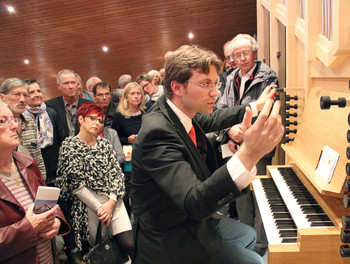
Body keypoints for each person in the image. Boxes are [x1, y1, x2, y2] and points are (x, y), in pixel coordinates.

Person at [131, 45, 284, 263]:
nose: (216, 92)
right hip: (171, 236)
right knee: (257, 261)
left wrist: (255, 107)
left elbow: (213, 119)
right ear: (177, 87)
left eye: (216, 83)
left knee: (248, 235)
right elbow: (194, 202)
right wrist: (249, 154)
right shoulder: (157, 132)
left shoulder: (178, 109)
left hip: (192, 219)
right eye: (205, 84)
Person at [216, 34, 279, 256]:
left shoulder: (268, 76)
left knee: (260, 192)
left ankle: (261, 241)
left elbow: (269, 110)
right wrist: (230, 133)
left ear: (254, 53)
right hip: (235, 144)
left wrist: (247, 134)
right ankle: (246, 237)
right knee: (239, 192)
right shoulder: (230, 78)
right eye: (236, 55)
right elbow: (220, 110)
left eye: (245, 53)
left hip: (258, 144)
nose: (241, 59)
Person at [56, 102, 133, 259]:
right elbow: (76, 185)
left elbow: (116, 174)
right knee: (101, 251)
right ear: (81, 119)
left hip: (113, 201)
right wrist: (100, 208)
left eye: (100, 120)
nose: (97, 123)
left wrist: (110, 203)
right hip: (89, 206)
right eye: (92, 118)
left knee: (129, 244)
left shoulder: (104, 144)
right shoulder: (70, 145)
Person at [0, 101, 70, 264]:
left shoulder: (27, 162)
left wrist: (57, 221)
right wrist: (27, 228)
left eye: (13, 119)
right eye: (2, 121)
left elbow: (47, 204)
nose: (13, 126)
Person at [45, 69, 89, 263]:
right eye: (66, 83)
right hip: (60, 166)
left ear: (79, 84)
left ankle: (88, 245)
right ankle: (72, 248)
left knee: (85, 206)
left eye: (74, 82)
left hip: (85, 163)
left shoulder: (88, 105)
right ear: (59, 86)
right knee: (66, 208)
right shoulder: (50, 107)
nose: (71, 86)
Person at [0, 78, 46, 180]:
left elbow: (37, 156)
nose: (22, 99)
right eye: (17, 94)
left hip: (32, 183)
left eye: (25, 95)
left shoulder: (29, 122)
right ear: (2, 97)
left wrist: (42, 181)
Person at [111, 82, 145, 216]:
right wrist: (128, 139)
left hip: (142, 156)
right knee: (127, 192)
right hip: (127, 159)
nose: (136, 97)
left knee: (140, 192)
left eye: (138, 94)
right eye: (133, 94)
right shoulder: (120, 115)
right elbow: (114, 137)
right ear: (126, 97)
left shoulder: (144, 114)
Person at [23, 78, 64, 186]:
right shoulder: (21, 117)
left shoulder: (51, 113)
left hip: (55, 170)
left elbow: (61, 140)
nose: (37, 94)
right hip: (32, 171)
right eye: (31, 92)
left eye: (38, 91)